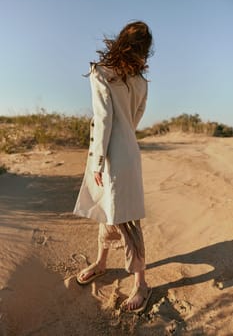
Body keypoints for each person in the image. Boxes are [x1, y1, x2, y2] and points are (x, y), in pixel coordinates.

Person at [73, 21, 153, 313]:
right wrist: (122, 142)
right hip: (128, 151)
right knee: (111, 210)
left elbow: (104, 118)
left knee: (126, 218)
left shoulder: (101, 72)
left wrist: (97, 160)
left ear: (121, 41)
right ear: (144, 49)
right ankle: (102, 263)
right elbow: (135, 119)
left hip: (109, 153)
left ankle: (141, 284)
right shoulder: (141, 82)